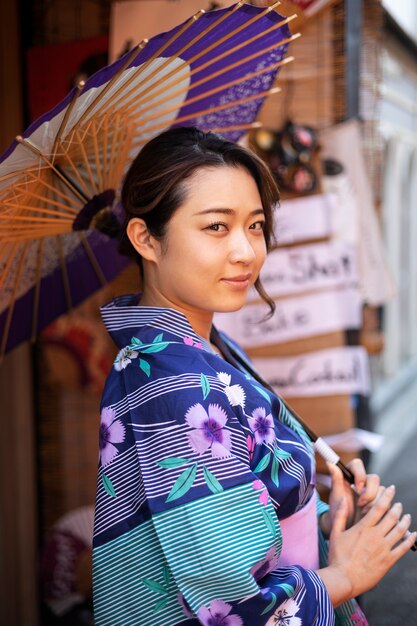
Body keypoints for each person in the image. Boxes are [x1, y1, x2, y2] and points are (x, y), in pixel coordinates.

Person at [92, 126, 415, 626]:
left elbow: (239, 514)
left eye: (255, 225)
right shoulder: (171, 384)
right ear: (145, 239)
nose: (247, 251)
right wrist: (347, 574)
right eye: (216, 227)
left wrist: (327, 514)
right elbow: (236, 604)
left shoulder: (203, 348)